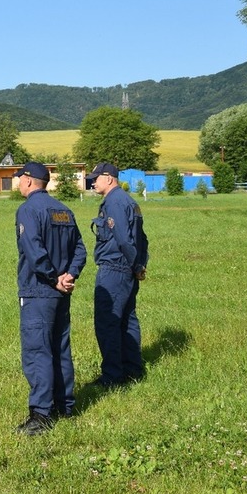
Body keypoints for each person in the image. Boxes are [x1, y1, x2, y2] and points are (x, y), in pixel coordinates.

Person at [13, 162, 86, 436]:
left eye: (20, 178)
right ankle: (64, 406)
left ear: (30, 181)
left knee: (37, 351)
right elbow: (80, 249)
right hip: (61, 292)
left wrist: (54, 277)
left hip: (38, 290)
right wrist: (70, 275)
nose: (19, 182)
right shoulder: (64, 210)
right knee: (60, 347)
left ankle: (41, 414)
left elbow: (33, 250)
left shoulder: (28, 210)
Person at [86, 162, 150, 388]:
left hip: (115, 268)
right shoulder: (130, 202)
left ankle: (112, 376)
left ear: (110, 179)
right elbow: (142, 239)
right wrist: (140, 265)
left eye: (96, 178)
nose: (93, 182)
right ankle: (132, 370)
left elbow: (124, 239)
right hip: (129, 269)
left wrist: (134, 265)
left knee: (108, 322)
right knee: (127, 319)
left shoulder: (113, 202)